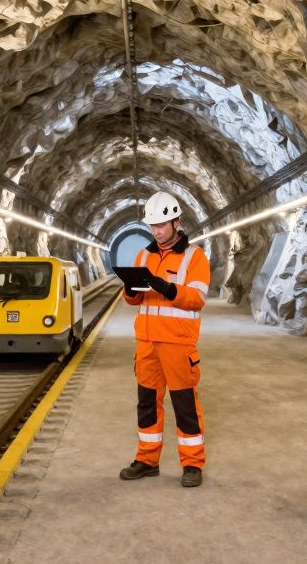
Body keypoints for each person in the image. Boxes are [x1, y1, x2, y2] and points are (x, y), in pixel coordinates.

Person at [118, 191, 211, 488]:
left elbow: (196, 298)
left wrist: (166, 287)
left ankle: (192, 464)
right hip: (146, 343)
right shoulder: (143, 255)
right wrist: (131, 288)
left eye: (162, 225)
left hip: (177, 344)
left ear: (176, 221)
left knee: (184, 405)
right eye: (153, 226)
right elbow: (133, 300)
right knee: (146, 403)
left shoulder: (194, 257)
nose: (157, 231)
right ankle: (147, 459)